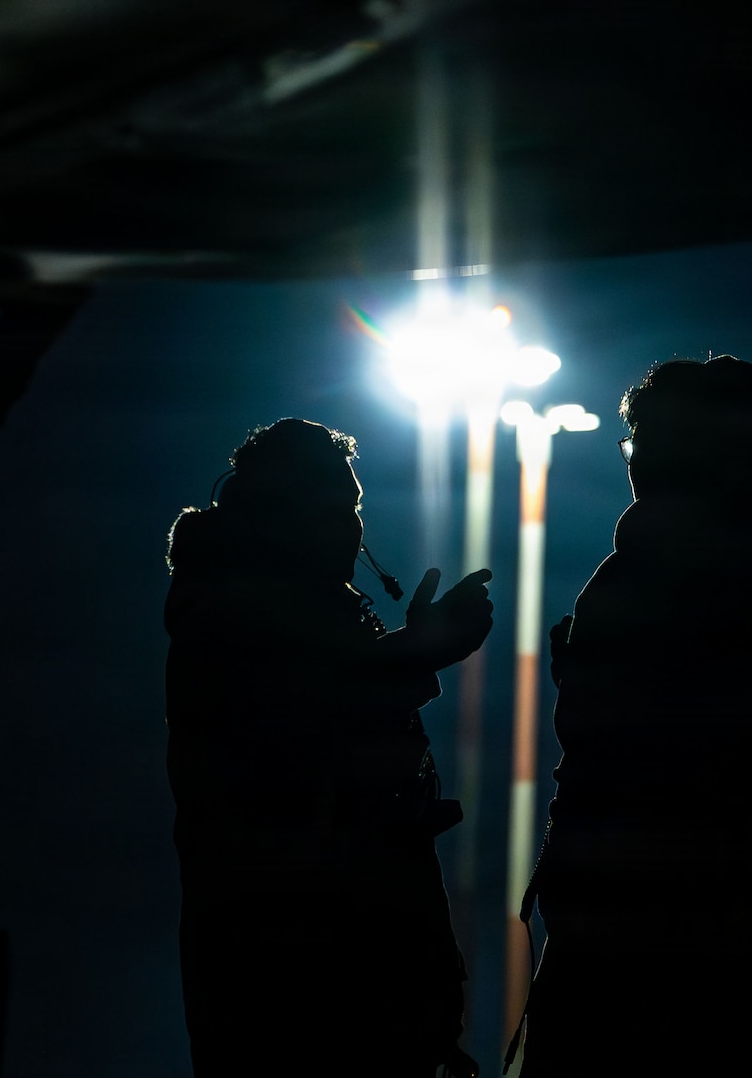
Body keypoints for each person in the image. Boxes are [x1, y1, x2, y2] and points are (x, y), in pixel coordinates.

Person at [516, 357, 752, 1074]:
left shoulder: (688, 572)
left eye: (646, 440)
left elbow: (674, 748)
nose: (635, 460)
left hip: (660, 934)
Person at [165, 418, 493, 1076]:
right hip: (303, 981)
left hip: (337, 969)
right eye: (340, 508)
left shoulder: (258, 608)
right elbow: (305, 726)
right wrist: (414, 653)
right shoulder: (235, 616)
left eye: (354, 509)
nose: (354, 529)